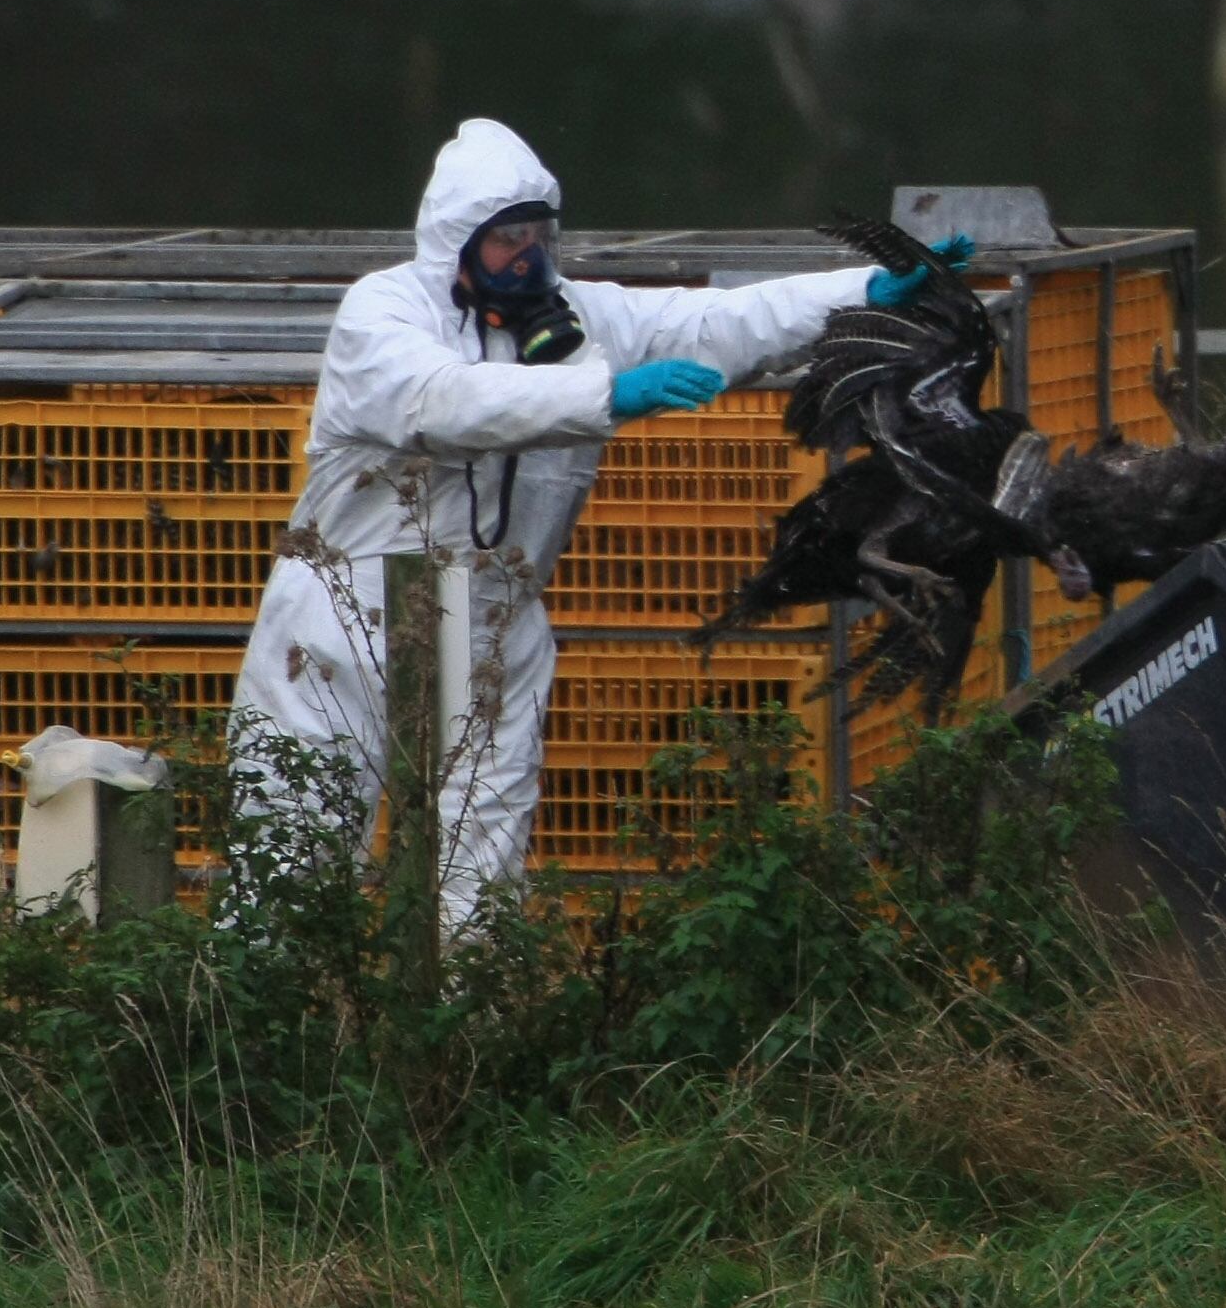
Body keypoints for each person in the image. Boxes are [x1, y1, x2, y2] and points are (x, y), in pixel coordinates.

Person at [228, 117, 970, 930]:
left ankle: (464, 1042)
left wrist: (861, 292)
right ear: (455, 245)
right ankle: (258, 1043)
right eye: (506, 238)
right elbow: (439, 403)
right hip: (343, 628)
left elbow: (719, 323)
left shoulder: (578, 320)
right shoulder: (384, 312)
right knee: (293, 855)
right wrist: (604, 397)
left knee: (480, 873)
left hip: (490, 621)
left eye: (539, 234)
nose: (528, 255)